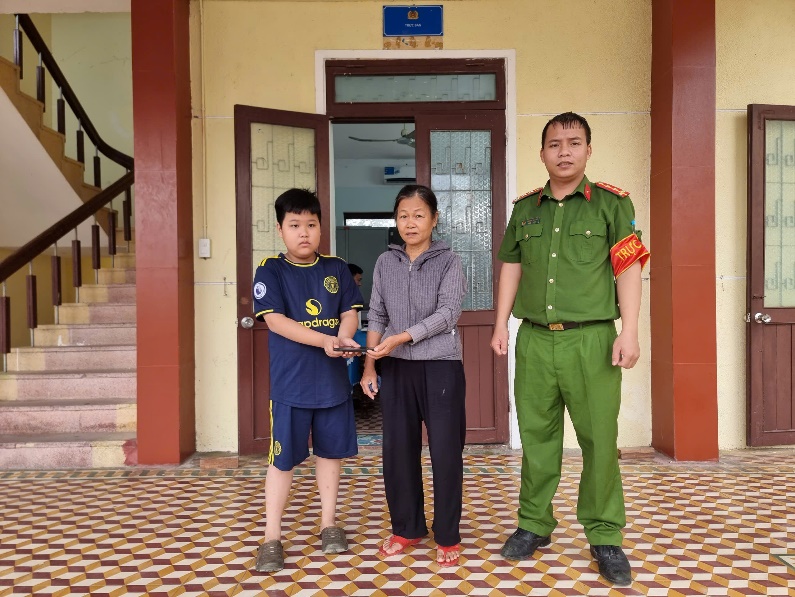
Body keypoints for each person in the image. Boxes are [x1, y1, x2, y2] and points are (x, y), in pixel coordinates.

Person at [490, 112, 649, 586]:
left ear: (588, 150)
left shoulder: (612, 205)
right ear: (542, 153)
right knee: (537, 437)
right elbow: (512, 267)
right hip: (536, 339)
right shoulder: (526, 209)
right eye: (555, 144)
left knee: (599, 438)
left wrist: (630, 330)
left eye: (574, 142)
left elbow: (628, 269)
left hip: (592, 339)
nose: (564, 151)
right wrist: (500, 324)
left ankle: (604, 535)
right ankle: (534, 523)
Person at [251, 188, 365, 573]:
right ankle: (271, 537)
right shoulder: (270, 270)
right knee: (282, 461)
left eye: (311, 224)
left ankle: (329, 524)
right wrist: (325, 340)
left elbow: (349, 312)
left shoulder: (336, 268)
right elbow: (275, 321)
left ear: (320, 228)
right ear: (280, 229)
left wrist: (344, 336)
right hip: (291, 385)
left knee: (330, 455)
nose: (304, 232)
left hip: (332, 384)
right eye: (295, 225)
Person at [360, 184, 467, 568]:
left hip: (441, 367)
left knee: (445, 452)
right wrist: (370, 365)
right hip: (396, 367)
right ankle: (407, 527)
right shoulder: (385, 262)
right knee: (398, 451)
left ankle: (448, 534)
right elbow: (377, 313)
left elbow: (448, 314)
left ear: (434, 219)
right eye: (403, 215)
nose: (410, 222)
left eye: (419, 215)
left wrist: (402, 337)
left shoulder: (449, 261)